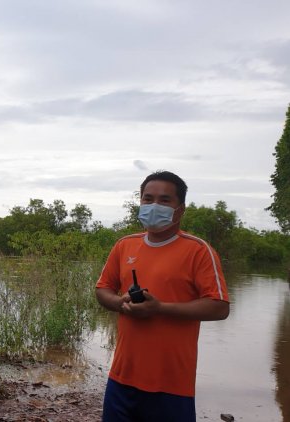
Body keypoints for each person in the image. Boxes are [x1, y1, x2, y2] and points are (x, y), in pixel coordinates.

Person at [95, 170, 231, 422]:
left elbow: (219, 307)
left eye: (165, 200)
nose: (154, 205)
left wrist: (160, 308)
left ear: (180, 209)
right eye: (148, 199)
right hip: (121, 378)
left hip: (172, 384)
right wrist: (120, 303)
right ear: (140, 201)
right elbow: (103, 289)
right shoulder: (124, 245)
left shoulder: (199, 251)